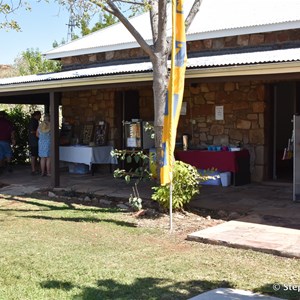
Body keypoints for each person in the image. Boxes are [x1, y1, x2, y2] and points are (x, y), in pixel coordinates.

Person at [28, 111, 41, 175]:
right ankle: (33, 169)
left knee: (35, 155)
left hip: (33, 141)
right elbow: (32, 131)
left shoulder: (33, 121)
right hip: (34, 141)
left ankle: (35, 169)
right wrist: (40, 133)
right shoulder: (34, 121)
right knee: (34, 155)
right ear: (36, 115)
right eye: (40, 115)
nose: (40, 117)